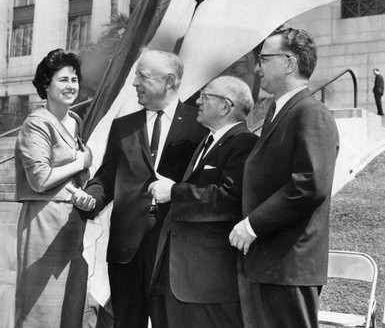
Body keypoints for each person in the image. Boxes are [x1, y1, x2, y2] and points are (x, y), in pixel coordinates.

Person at [72, 49, 207, 328]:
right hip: (126, 251)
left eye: (143, 76)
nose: (134, 83)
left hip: (174, 250)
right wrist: (91, 198)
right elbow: (106, 177)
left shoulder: (200, 125)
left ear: (169, 81)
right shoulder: (123, 126)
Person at [229, 26, 339, 328]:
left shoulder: (311, 113)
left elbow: (310, 184)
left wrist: (253, 224)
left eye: (264, 58)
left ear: (290, 63)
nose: (257, 67)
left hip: (289, 267)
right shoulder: (280, 112)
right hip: (270, 265)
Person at [148, 75, 257, 328]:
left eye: (206, 96)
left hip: (208, 284)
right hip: (180, 277)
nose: (198, 100)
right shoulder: (207, 141)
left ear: (225, 106)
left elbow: (229, 199)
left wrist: (174, 192)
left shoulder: (245, 143)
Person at [14, 48, 93, 328]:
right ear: (46, 85)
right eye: (63, 80)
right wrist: (80, 161)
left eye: (74, 79)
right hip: (44, 220)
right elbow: (40, 179)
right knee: (41, 304)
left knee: (71, 302)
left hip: (74, 220)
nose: (71, 86)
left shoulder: (76, 120)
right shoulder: (36, 123)